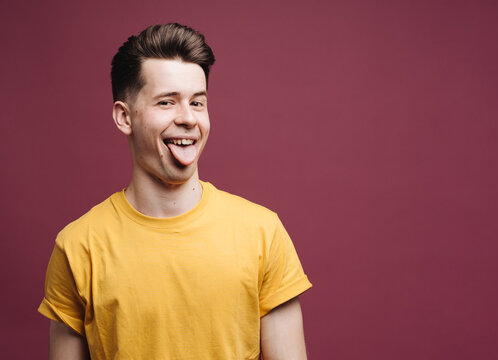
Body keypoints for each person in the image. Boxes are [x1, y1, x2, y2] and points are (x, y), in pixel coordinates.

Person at [37, 23, 312, 359]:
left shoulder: (263, 233)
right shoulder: (77, 247)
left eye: (197, 103)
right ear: (125, 117)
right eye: (167, 102)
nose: (188, 119)